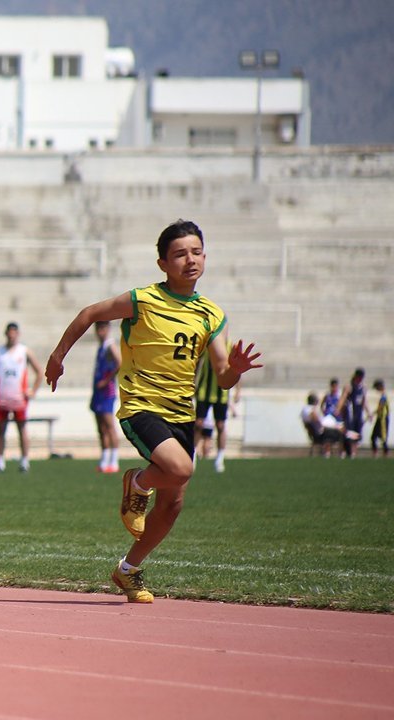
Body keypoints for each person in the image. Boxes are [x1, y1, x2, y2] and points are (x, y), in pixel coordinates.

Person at [45, 219, 262, 604]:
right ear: (163, 263)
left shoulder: (212, 315)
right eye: (180, 254)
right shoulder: (142, 300)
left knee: (173, 504)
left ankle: (128, 570)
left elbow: (223, 377)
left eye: (196, 252)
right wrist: (57, 357)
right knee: (181, 469)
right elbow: (89, 313)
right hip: (142, 406)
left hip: (182, 415)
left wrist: (236, 370)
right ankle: (137, 482)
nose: (190, 260)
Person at [0, 322, 42, 472]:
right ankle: (0, 460)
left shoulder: (24, 351)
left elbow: (39, 372)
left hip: (19, 398)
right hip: (2, 397)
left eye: (14, 333)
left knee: (22, 429)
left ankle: (25, 461)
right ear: (6, 334)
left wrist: (33, 390)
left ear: (18, 334)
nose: (12, 336)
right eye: (10, 333)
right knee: (1, 430)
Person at [193, 343, 234, 472]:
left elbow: (236, 369)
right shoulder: (207, 344)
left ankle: (220, 458)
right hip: (204, 391)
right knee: (198, 423)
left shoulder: (229, 346)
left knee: (220, 425)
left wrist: (238, 389)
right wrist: (193, 383)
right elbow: (197, 364)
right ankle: (192, 455)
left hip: (221, 393)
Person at [90, 320, 121, 473]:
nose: (100, 331)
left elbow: (119, 363)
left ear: (108, 329)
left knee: (109, 426)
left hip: (107, 392)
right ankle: (104, 460)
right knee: (101, 427)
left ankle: (114, 461)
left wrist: (107, 380)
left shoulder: (110, 346)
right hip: (98, 392)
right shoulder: (101, 346)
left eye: (103, 328)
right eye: (98, 328)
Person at [338, 367, 369, 459]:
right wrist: (338, 409)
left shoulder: (363, 387)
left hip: (358, 413)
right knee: (348, 432)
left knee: (357, 433)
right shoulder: (349, 386)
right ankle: (344, 452)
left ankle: (353, 453)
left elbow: (364, 401)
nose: (360, 379)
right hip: (350, 413)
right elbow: (343, 398)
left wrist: (368, 412)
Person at [301, 392, 343, 457]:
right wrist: (321, 425)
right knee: (339, 431)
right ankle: (332, 452)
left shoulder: (305, 409)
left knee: (337, 427)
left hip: (317, 430)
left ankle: (330, 451)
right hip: (320, 432)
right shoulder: (310, 409)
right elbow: (315, 418)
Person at [371, 379, 389, 458]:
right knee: (374, 436)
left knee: (383, 437)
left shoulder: (384, 396)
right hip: (380, 418)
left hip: (383, 419)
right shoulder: (383, 395)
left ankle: (385, 453)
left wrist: (372, 414)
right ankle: (376, 453)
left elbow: (380, 407)